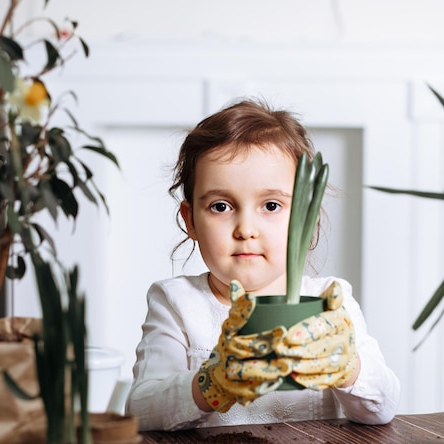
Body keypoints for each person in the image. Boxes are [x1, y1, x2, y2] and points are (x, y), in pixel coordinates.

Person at [126, 99, 400, 431]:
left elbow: (383, 407)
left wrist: (347, 366)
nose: (246, 229)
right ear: (191, 221)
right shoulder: (177, 303)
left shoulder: (329, 300)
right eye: (221, 205)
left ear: (306, 217)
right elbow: (139, 411)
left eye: (270, 205)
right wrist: (211, 384)